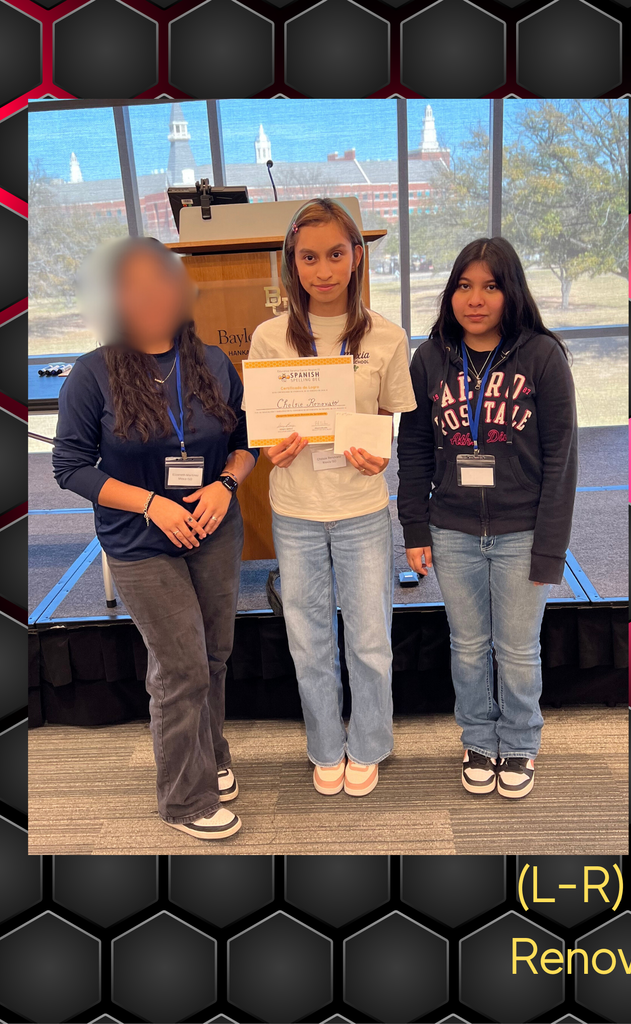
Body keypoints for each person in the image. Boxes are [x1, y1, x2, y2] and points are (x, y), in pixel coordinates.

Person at [52, 236, 257, 840]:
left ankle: (211, 755)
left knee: (214, 655)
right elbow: (70, 467)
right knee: (182, 665)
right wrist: (150, 504)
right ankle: (183, 799)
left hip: (215, 527)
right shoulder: (92, 374)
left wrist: (225, 483)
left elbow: (246, 443)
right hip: (140, 539)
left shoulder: (214, 362)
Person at [245, 198, 416, 798]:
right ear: (292, 263)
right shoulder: (270, 338)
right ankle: (324, 745)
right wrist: (271, 451)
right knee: (309, 638)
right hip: (294, 512)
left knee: (370, 639)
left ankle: (369, 742)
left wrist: (381, 451)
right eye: (309, 257)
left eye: (336, 255)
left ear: (357, 257)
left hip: (363, 510)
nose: (323, 270)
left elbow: (393, 419)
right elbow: (264, 430)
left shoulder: (388, 337)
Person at [397, 237, 578, 798]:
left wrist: (550, 548)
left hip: (522, 530)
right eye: (464, 286)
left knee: (519, 648)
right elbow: (416, 451)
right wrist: (415, 527)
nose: (475, 299)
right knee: (468, 645)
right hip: (451, 530)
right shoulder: (429, 359)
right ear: (451, 292)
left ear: (511, 292)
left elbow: (561, 459)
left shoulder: (542, 357)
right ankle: (478, 738)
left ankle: (520, 743)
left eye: (491, 287)